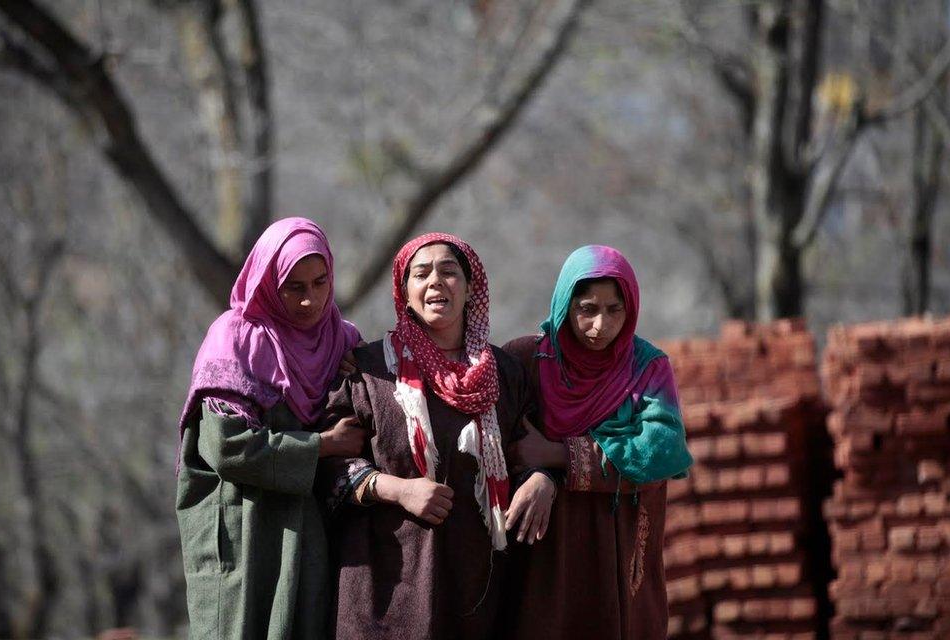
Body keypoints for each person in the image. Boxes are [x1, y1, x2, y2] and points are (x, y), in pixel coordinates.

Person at [316, 232, 554, 640]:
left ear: (470, 287)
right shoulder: (369, 370)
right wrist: (395, 489)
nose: (436, 282)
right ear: (404, 291)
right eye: (421, 273)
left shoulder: (504, 374)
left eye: (449, 272)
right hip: (384, 588)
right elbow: (329, 462)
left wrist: (543, 479)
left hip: (476, 587)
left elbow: (527, 448)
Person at [175, 217, 365, 640]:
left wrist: (357, 379)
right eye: (294, 287)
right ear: (267, 283)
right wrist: (321, 446)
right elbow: (228, 448)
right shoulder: (235, 339)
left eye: (320, 283)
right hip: (243, 525)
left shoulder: (343, 341)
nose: (309, 301)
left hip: (309, 533)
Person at [502, 244, 694, 640]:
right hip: (544, 552)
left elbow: (661, 451)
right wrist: (542, 475)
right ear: (564, 305)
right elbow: (505, 441)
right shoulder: (524, 361)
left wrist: (559, 455)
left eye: (614, 310)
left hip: (619, 547)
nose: (600, 326)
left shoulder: (646, 367)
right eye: (587, 309)